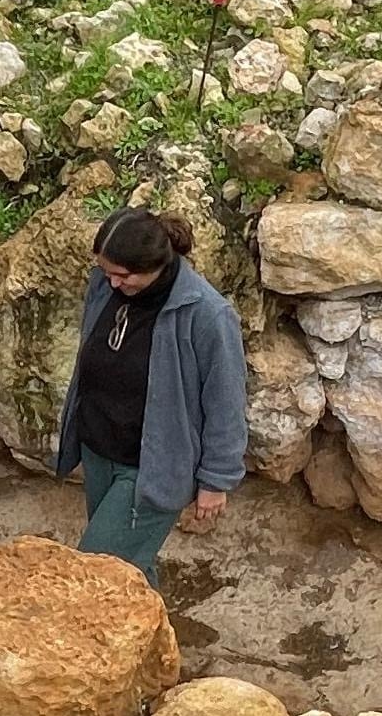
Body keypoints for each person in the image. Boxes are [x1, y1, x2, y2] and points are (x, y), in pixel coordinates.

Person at [53, 207, 247, 579]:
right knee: (130, 567)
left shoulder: (207, 314)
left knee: (96, 572)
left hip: (151, 470)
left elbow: (226, 403)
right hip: (99, 450)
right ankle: (154, 637)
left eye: (122, 275)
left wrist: (215, 481)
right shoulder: (105, 285)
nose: (110, 283)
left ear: (155, 265)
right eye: (105, 272)